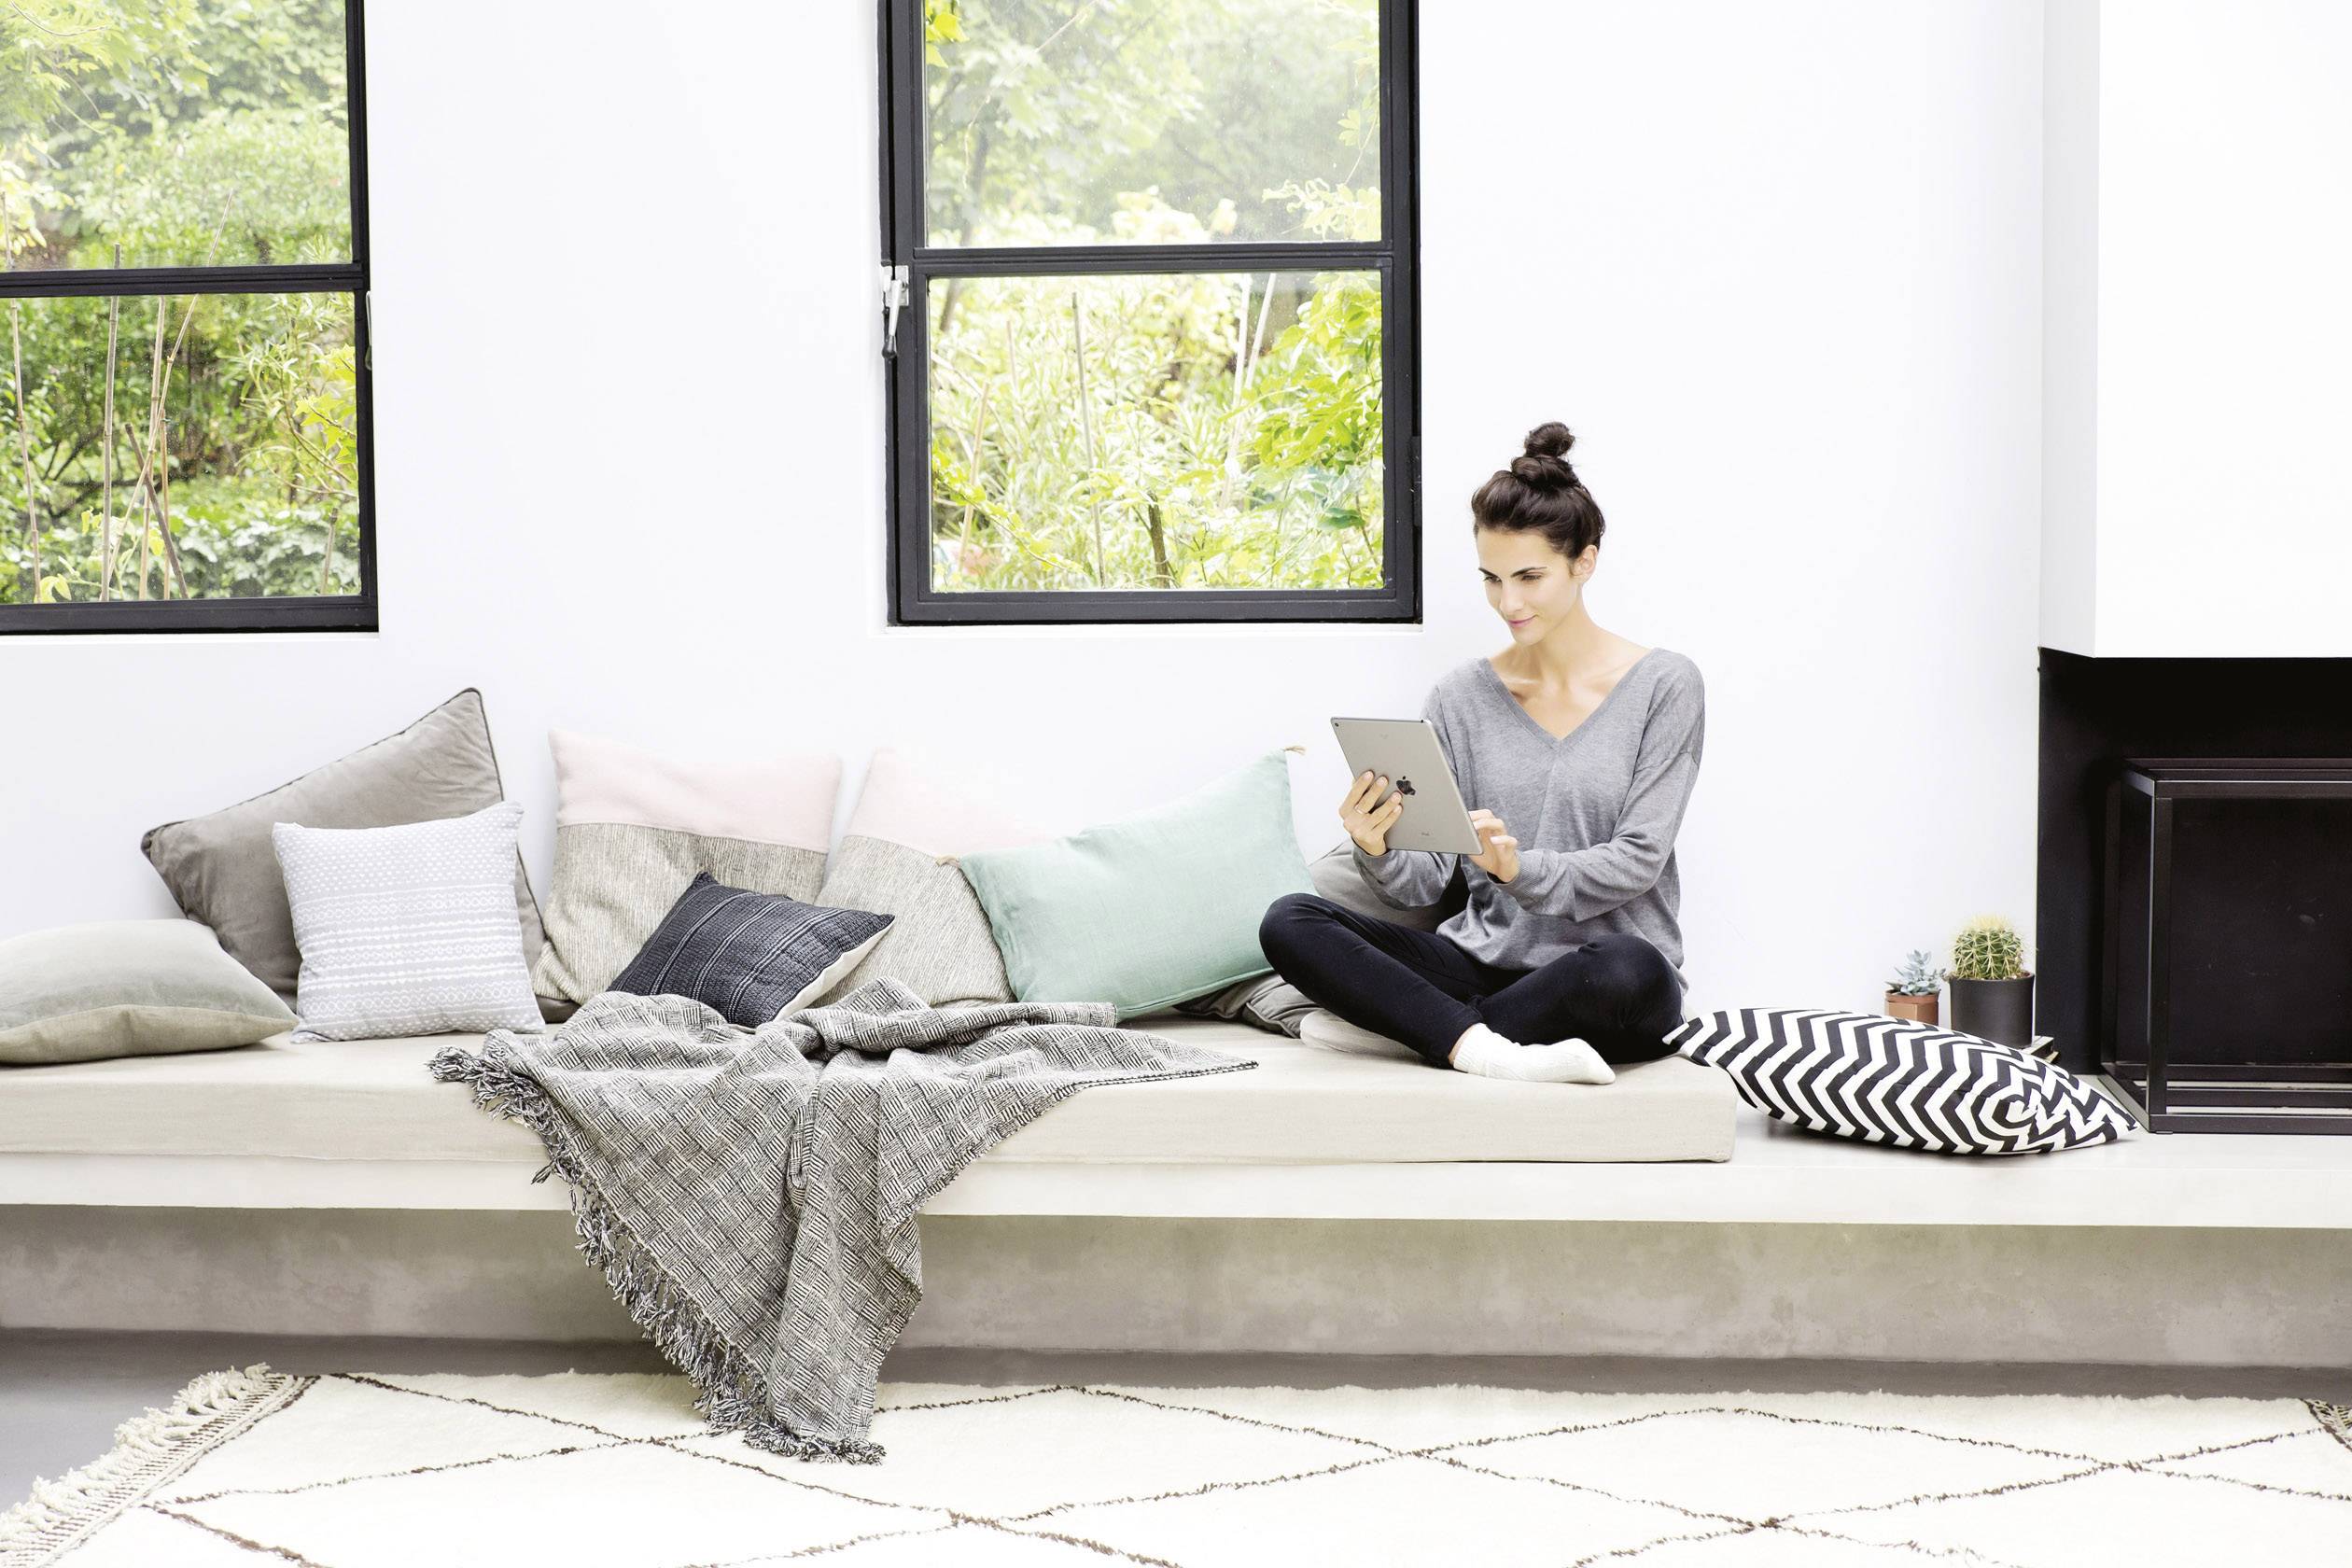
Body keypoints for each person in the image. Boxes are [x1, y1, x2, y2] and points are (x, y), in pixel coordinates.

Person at [1259, 422, 1704, 1084]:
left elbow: (1637, 861)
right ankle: (1480, 1045)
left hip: (1599, 975)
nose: (1508, 602)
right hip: (1479, 960)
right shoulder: (1460, 696)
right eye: (1492, 579)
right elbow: (1427, 879)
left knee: (1635, 970)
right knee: (1289, 921)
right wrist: (1376, 846)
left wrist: (1518, 869)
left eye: (1529, 576)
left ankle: (1429, 1028)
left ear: (1585, 561)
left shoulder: (1665, 685)